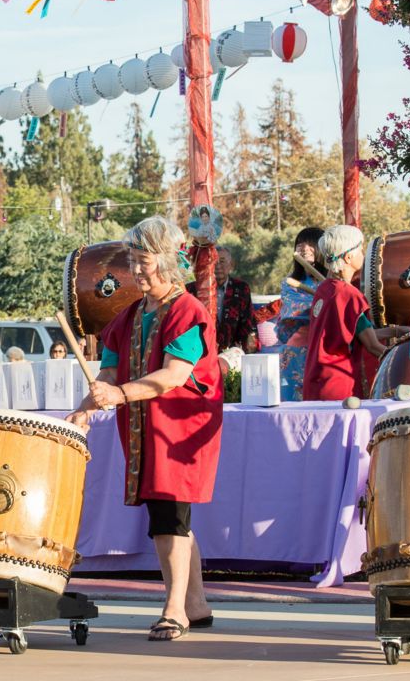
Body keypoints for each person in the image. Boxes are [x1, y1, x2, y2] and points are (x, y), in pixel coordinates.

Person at [66, 216, 222, 642]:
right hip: (143, 428)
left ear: (168, 261)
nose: (135, 271)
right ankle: (196, 603)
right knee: (170, 516)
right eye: (132, 261)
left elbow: (174, 375)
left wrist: (118, 397)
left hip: (179, 432)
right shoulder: (132, 313)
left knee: (170, 516)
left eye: (143, 261)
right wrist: (84, 409)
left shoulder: (187, 310)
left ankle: (174, 610)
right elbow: (109, 374)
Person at [303, 225, 409, 401]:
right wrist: (403, 362)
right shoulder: (350, 295)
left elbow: (356, 333)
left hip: (316, 380)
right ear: (348, 256)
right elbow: (372, 345)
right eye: (360, 249)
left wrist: (396, 331)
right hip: (339, 386)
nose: (363, 254)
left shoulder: (324, 289)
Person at [277, 227, 326, 400]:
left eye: (310, 244)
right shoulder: (290, 283)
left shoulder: (334, 281)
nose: (304, 248)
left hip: (326, 349)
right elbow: (294, 311)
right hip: (296, 351)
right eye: (300, 244)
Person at [189, 249, 256, 351]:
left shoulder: (241, 288)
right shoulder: (194, 289)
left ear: (231, 265)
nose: (218, 266)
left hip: (231, 352)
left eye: (222, 261)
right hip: (200, 350)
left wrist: (245, 346)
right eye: (214, 261)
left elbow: (248, 321)